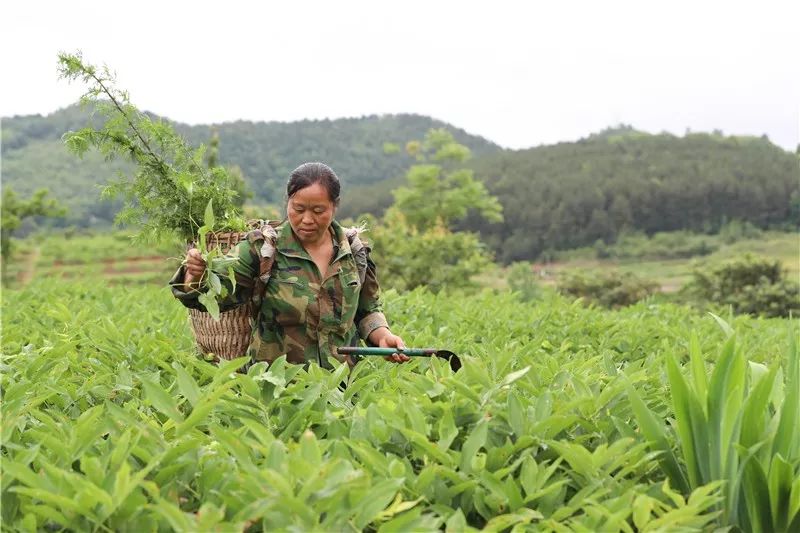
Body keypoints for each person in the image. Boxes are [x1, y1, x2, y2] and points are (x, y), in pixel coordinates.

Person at [170, 162, 408, 369]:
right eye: (298, 209)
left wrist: (383, 336)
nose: (307, 220)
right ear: (287, 203)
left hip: (343, 385)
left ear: (335, 206)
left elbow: (367, 310)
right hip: (277, 386)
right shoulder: (262, 248)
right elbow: (216, 293)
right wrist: (196, 274)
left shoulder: (355, 252)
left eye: (318, 211)